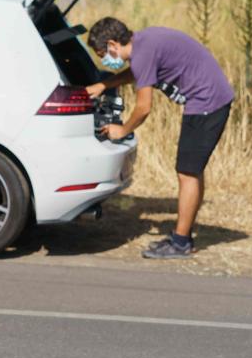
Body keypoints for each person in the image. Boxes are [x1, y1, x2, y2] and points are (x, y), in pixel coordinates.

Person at [87, 18, 234, 259]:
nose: (104, 59)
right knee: (192, 172)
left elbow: (144, 108)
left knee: (187, 173)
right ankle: (183, 236)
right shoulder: (144, 42)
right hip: (211, 98)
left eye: (103, 53)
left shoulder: (143, 53)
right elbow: (138, 72)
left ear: (113, 44)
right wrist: (105, 84)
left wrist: (122, 130)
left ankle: (180, 243)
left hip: (207, 103)